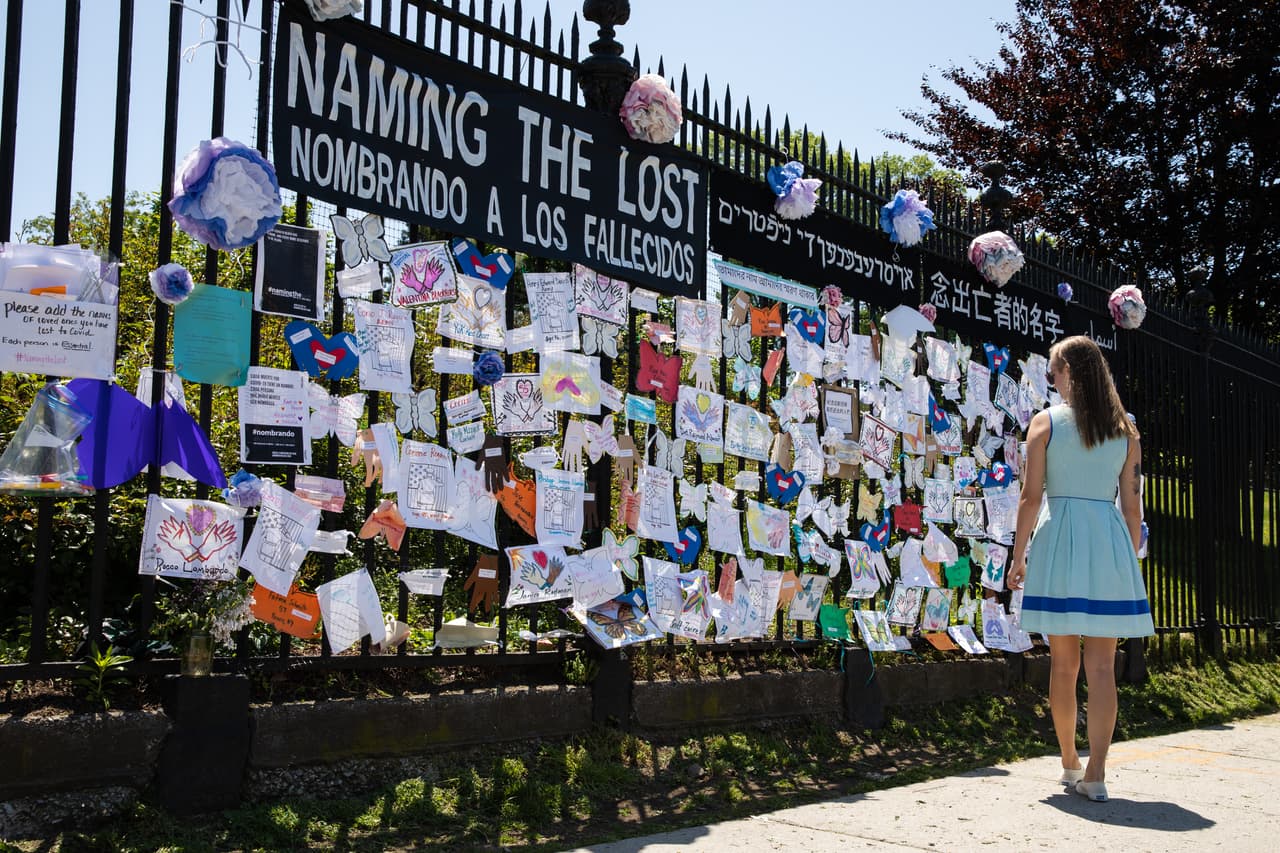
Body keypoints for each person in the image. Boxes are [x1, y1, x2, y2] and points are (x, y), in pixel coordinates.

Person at [1006, 335, 1154, 804]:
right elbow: (1133, 508)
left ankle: (1070, 761)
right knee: (1103, 668)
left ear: (1069, 371)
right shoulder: (1126, 430)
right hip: (1107, 543)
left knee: (1064, 665)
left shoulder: (1045, 424)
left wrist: (1017, 555)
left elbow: (1031, 499)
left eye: (1053, 371)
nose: (1051, 379)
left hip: (1060, 543)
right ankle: (1097, 771)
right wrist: (1127, 560)